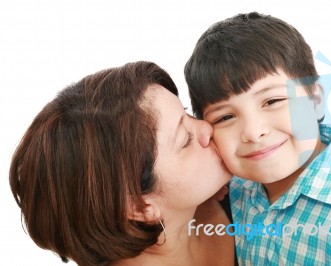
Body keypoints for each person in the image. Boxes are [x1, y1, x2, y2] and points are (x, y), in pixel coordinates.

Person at [184, 11, 331, 265]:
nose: (254, 132)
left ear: (315, 100)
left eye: (273, 101)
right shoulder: (238, 187)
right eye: (225, 118)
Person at [9, 61, 235, 266]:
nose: (206, 127)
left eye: (186, 113)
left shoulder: (243, 192)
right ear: (139, 206)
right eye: (185, 139)